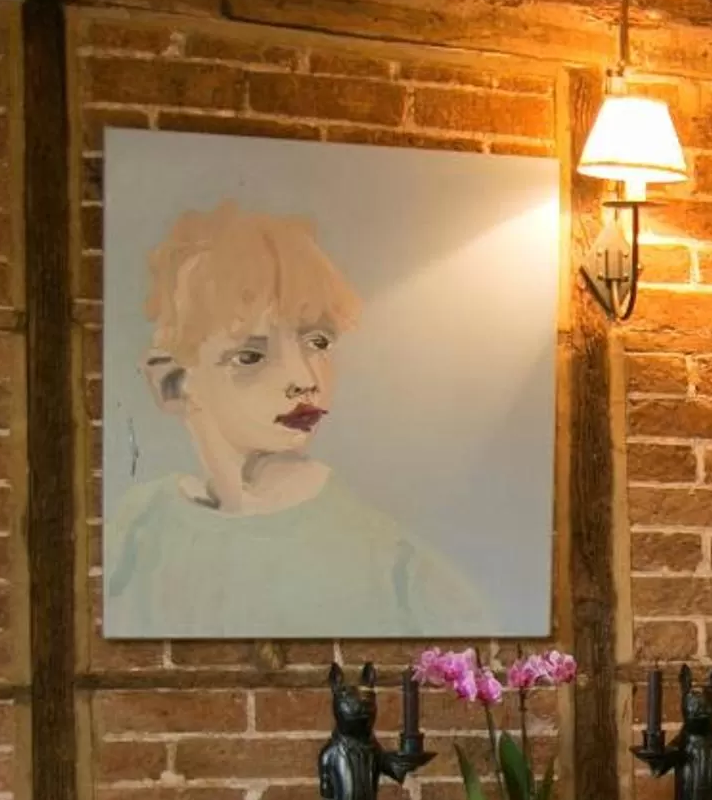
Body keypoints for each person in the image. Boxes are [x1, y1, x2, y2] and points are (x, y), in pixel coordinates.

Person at [104, 202, 489, 636]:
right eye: (251, 356)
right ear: (172, 381)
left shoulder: (398, 571)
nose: (305, 380)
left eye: (317, 342)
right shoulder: (135, 531)